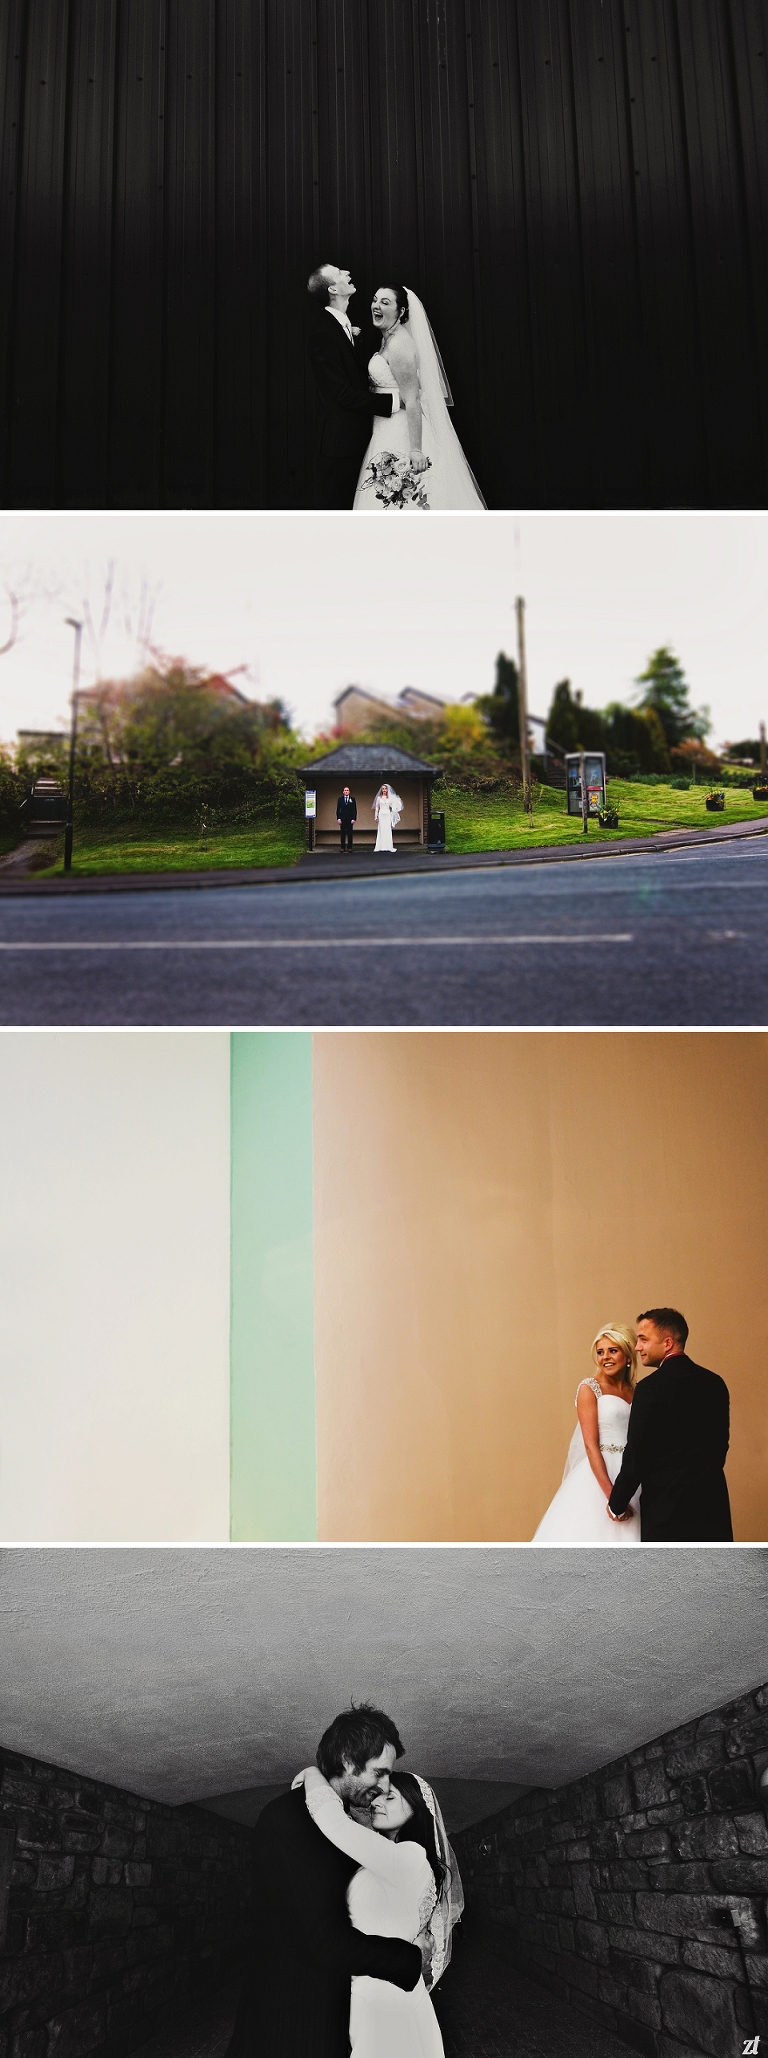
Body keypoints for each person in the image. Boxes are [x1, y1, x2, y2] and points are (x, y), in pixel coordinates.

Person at [223, 1704, 422, 2058]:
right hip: (293, 2023)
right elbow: (323, 1940)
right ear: (347, 1758)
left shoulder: (342, 1822)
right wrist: (411, 1957)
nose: (385, 1785)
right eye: (379, 1773)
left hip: (334, 2015)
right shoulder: (287, 1817)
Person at [292, 1758, 463, 2058]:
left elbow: (331, 1821)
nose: (377, 1801)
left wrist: (314, 1774)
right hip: (376, 1998)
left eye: (391, 1796)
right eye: (378, 1793)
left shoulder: (409, 1858)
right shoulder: (387, 1859)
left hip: (389, 2008)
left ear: (416, 1810)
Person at [353, 285, 486, 511]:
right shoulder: (388, 339)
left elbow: (412, 399)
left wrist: (415, 449)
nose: (376, 306)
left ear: (401, 311)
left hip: (400, 433)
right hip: (384, 427)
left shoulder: (399, 345)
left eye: (386, 303)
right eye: (375, 300)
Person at [607, 1308, 733, 1541]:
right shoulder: (715, 1383)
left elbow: (637, 1455)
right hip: (712, 1507)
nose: (637, 1347)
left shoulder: (649, 1389)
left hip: (666, 1511)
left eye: (643, 1339)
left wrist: (617, 1503)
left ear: (667, 1343)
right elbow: (720, 1447)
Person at [307, 266, 405, 509]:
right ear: (333, 289)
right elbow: (343, 394)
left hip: (361, 437)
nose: (348, 273)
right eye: (340, 273)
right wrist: (394, 402)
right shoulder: (323, 334)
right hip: (340, 445)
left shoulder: (344, 327)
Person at [533, 1325, 641, 1542]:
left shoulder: (638, 1390)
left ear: (628, 1354)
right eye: (600, 1352)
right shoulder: (589, 1388)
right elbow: (590, 1445)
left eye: (613, 1350)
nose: (605, 1358)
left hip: (633, 1472)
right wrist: (612, 1497)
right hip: (601, 1474)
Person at [373, 784, 402, 853]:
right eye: (383, 789)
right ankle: (380, 846)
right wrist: (375, 816)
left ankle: (388, 846)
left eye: (385, 789)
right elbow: (377, 807)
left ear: (387, 790)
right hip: (381, 814)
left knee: (387, 830)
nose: (384, 790)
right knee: (381, 830)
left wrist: (398, 801)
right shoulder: (379, 798)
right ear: (381, 790)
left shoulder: (390, 798)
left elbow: (393, 806)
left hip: (388, 814)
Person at [336, 786, 357, 852]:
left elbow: (354, 810)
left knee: (350, 833)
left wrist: (354, 818)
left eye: (347, 790)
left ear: (349, 792)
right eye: (345, 790)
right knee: (342, 833)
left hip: (350, 819)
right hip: (342, 819)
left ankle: (350, 847)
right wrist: (338, 818)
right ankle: (342, 847)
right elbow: (338, 809)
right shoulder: (340, 799)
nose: (346, 791)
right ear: (343, 792)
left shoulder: (352, 799)